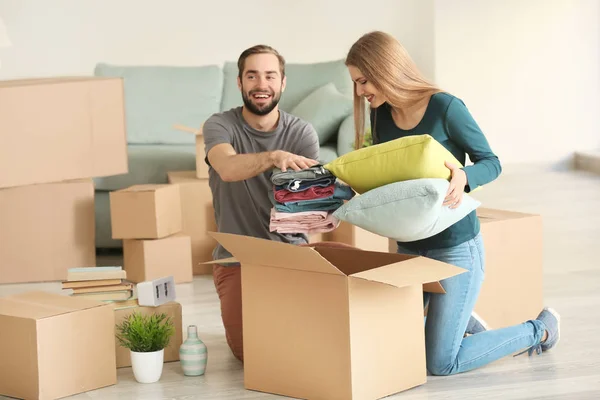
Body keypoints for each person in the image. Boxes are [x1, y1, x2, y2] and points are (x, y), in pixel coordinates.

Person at [344, 31, 560, 376]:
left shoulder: (445, 107)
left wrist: (463, 176)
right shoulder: (380, 116)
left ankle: (541, 328)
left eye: (363, 80)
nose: (359, 91)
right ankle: (460, 317)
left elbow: (491, 161)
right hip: (410, 250)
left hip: (455, 248)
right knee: (389, 341)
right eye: (356, 83)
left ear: (384, 69)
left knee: (441, 363)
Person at [202, 44, 353, 362]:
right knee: (250, 352)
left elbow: (308, 209)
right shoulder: (220, 126)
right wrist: (274, 157)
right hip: (236, 259)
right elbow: (228, 169)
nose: (261, 84)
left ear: (283, 83)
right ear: (240, 83)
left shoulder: (301, 133)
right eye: (252, 76)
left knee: (360, 272)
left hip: (291, 254)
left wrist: (330, 204)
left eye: (270, 76)